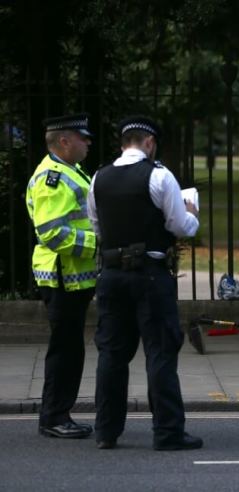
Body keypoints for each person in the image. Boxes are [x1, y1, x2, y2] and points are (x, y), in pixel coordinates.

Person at [87, 115, 202, 451]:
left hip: (110, 275)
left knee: (111, 354)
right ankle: (167, 432)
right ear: (149, 143)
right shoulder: (159, 176)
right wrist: (191, 210)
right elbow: (181, 226)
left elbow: (97, 227)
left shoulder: (99, 178)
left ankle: (106, 431)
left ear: (125, 143)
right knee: (160, 352)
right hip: (150, 274)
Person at [26, 113, 98, 439]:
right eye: (83, 138)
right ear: (64, 141)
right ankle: (54, 416)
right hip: (61, 277)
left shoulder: (69, 171)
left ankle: (59, 413)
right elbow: (54, 233)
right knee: (64, 350)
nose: (88, 143)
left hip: (72, 277)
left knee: (70, 348)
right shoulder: (51, 179)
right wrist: (100, 245)